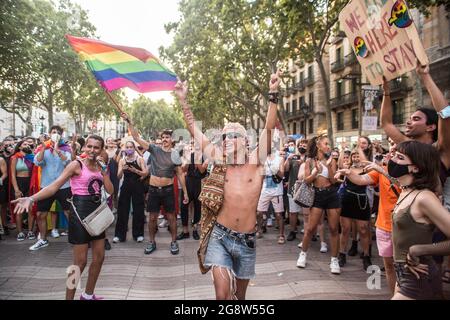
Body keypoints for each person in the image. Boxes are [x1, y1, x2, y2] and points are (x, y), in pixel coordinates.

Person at [174, 71, 280, 300]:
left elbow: (269, 128)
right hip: (219, 237)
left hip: (247, 240)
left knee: (239, 299)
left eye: (234, 135)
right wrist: (183, 101)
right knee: (222, 296)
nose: (227, 140)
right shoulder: (219, 159)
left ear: (246, 141)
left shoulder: (256, 161)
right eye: (224, 137)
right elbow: (194, 129)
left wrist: (273, 93)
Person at [13, 135, 114, 300]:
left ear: (101, 149)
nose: (92, 150)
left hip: (97, 214)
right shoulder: (76, 164)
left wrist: (105, 174)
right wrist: (31, 198)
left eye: (96, 147)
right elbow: (55, 186)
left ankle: (88, 295)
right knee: (79, 263)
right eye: (89, 146)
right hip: (80, 213)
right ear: (84, 147)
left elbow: (110, 191)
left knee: (100, 257)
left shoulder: (101, 166)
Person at [385, 141, 450, 300]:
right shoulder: (405, 190)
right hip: (403, 274)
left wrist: (419, 250)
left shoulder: (424, 198)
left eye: (400, 157)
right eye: (394, 155)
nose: (393, 160)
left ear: (415, 167)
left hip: (418, 276)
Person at [120, 120, 189, 256]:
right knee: (152, 218)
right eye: (163, 137)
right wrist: (129, 123)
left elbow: (180, 174)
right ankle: (152, 242)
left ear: (172, 140)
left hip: (168, 190)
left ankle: (173, 242)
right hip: (153, 190)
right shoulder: (154, 149)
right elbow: (136, 138)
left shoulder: (175, 154)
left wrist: (185, 193)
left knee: (171, 218)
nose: (164, 139)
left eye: (167, 137)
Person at [296, 135, 341, 274]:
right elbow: (307, 181)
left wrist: (329, 166)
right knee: (310, 229)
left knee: (334, 228)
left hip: (332, 194)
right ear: (319, 145)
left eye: (329, 144)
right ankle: (302, 255)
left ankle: (334, 260)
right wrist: (316, 172)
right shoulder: (310, 161)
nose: (328, 146)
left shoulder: (331, 160)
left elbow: (334, 181)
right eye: (326, 143)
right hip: (317, 196)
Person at [30, 126, 72, 251]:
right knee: (40, 214)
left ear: (61, 135)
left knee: (69, 213)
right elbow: (37, 162)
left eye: (58, 133)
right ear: (49, 134)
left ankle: (76, 238)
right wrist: (43, 148)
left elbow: (68, 163)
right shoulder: (44, 149)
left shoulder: (66, 149)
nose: (56, 134)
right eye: (54, 132)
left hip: (63, 186)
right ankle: (43, 239)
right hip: (46, 187)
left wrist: (57, 149)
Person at [336, 150, 372, 270]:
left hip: (361, 201)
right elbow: (340, 164)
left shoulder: (367, 169)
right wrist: (343, 149)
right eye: (354, 156)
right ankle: (342, 254)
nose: (356, 158)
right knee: (345, 229)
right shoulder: (347, 167)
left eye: (358, 156)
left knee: (363, 230)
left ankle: (366, 256)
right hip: (347, 200)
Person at [113, 141, 147, 243]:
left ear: (134, 148)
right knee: (122, 210)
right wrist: (122, 170)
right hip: (126, 186)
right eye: (127, 147)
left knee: (138, 210)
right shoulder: (122, 161)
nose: (129, 149)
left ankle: (138, 234)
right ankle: (120, 235)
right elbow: (118, 176)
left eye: (131, 147)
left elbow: (145, 173)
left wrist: (135, 171)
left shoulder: (139, 159)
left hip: (137, 186)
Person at [177, 139, 208, 240]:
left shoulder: (204, 156)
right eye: (192, 143)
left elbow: (202, 169)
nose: (194, 146)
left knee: (197, 206)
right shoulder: (187, 155)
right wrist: (189, 158)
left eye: (196, 144)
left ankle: (195, 229)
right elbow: (183, 169)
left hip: (199, 182)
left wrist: (197, 157)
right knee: (184, 206)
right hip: (188, 181)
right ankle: (185, 230)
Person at [256, 148, 285, 243]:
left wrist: (275, 170)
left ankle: (281, 235)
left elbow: (282, 175)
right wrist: (259, 190)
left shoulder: (280, 159)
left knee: (278, 214)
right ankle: (259, 230)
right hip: (265, 190)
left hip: (277, 190)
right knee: (259, 212)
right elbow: (261, 176)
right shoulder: (263, 159)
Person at [10, 140, 35, 241]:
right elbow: (12, 175)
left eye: (28, 144)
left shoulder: (31, 157)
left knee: (30, 208)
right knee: (19, 209)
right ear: (19, 147)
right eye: (25, 144)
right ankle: (20, 232)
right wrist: (16, 189)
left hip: (30, 183)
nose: (27, 145)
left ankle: (30, 231)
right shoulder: (15, 157)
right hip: (19, 183)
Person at [284, 139, 307, 242]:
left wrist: (304, 163)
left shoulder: (310, 158)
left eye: (305, 145)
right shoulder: (293, 157)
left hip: (306, 189)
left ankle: (310, 233)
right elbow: (285, 169)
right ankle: (292, 231)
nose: (302, 147)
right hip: (293, 188)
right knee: (293, 212)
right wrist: (288, 160)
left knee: (307, 214)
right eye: (301, 145)